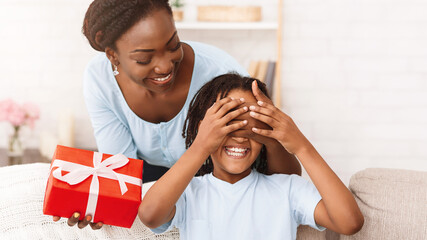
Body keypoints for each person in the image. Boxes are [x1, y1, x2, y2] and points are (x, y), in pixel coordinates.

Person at [54, 0, 300, 229]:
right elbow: (120, 170)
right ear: (112, 55)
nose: (165, 66)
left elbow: (277, 172)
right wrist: (102, 204)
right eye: (144, 58)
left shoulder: (220, 73)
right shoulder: (99, 79)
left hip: (213, 173)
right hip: (151, 177)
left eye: (173, 45)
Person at [139, 73, 364, 239]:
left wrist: (302, 146)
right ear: (205, 130)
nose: (239, 138)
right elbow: (150, 215)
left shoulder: (287, 189)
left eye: (251, 129)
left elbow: (350, 222)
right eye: (228, 127)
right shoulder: (189, 193)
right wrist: (200, 146)